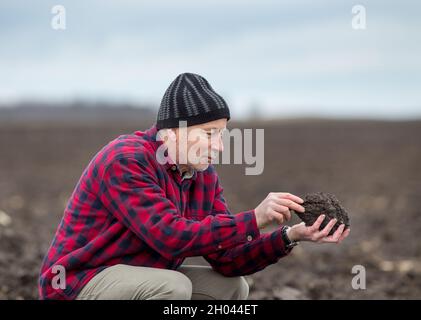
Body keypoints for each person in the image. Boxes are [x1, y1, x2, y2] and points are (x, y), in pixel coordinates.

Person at [38, 72, 350, 300]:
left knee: (232, 287)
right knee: (173, 288)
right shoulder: (126, 161)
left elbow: (228, 259)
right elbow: (171, 238)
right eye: (210, 133)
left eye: (222, 133)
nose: (220, 146)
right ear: (172, 132)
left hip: (140, 278)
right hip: (77, 284)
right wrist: (255, 218)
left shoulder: (201, 174)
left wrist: (289, 235)